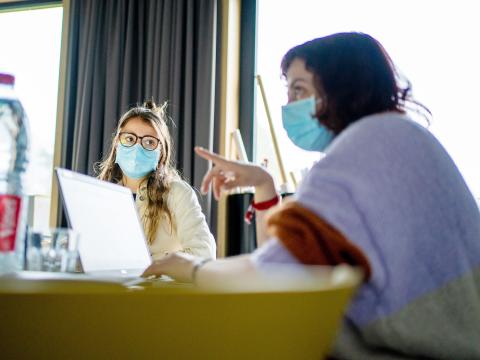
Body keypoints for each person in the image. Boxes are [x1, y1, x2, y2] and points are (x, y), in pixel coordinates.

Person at [142, 32, 480, 359]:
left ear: (343, 89)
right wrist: (264, 185)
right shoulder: (405, 136)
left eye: (299, 90)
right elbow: (288, 259)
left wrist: (192, 268)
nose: (288, 107)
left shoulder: (361, 149)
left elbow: (274, 277)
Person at [96, 100, 216, 260]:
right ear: (117, 143)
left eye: (149, 142)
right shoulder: (103, 196)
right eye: (129, 139)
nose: (137, 148)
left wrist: (150, 264)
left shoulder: (178, 193)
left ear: (161, 152)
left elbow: (204, 254)